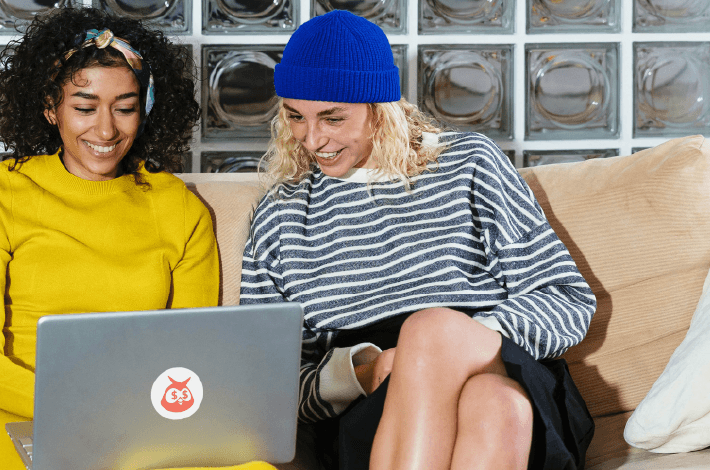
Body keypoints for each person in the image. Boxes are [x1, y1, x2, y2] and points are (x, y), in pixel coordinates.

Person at [241, 10, 597, 470]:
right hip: (378, 407)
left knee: (433, 334)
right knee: (495, 406)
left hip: (501, 358)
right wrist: (362, 373)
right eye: (295, 117)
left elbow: (566, 301)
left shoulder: (469, 164)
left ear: (379, 107)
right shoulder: (280, 216)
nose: (312, 139)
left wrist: (441, 346)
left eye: (332, 119)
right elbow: (267, 388)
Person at [0, 8, 272, 470]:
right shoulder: (0, 198)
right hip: (17, 413)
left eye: (125, 107)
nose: (105, 130)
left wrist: (136, 416)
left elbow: (187, 354)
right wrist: (80, 411)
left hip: (133, 421)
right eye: (84, 107)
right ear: (49, 107)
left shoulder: (178, 208)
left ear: (147, 107)